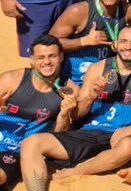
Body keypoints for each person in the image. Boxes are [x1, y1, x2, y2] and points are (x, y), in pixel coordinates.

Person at [19, 25, 131, 188]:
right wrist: (90, 97)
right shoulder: (97, 68)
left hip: (121, 135)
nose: (128, 47)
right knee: (31, 143)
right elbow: (77, 114)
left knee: (128, 147)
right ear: (115, 43)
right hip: (90, 132)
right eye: (123, 41)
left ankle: (74, 172)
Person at [0, 35, 78, 190]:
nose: (47, 62)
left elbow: (58, 138)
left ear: (61, 56)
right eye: (41, 57)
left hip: (16, 151)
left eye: (52, 56)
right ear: (32, 60)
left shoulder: (70, 91)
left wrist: (63, 115)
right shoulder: (11, 79)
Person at [48, 0, 131, 85]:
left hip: (109, 77)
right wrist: (84, 41)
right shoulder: (78, 11)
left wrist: (123, 43)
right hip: (76, 77)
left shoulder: (128, 11)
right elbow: (49, 44)